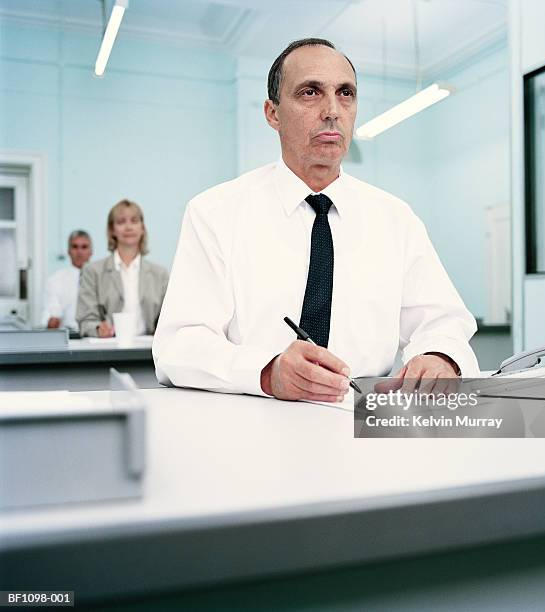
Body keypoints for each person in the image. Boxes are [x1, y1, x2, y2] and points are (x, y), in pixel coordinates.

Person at [153, 38, 479, 402]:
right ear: (272, 113)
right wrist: (268, 371)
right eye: (310, 92)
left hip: (365, 419)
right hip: (252, 418)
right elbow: (178, 346)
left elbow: (443, 321)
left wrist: (439, 355)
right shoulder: (214, 213)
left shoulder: (396, 219)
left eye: (345, 94)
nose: (332, 110)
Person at [77, 199, 169, 338]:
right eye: (121, 222)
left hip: (148, 352)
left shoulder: (160, 274)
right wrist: (98, 329)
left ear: (142, 228)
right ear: (112, 230)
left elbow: (170, 318)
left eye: (134, 221)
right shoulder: (92, 271)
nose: (128, 227)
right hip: (107, 351)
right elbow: (86, 320)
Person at [41, 230, 92, 330]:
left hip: (97, 337)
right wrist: (51, 320)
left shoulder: (102, 279)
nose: (79, 252)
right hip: (68, 336)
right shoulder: (55, 280)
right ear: (68, 251)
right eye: (75, 247)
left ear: (91, 251)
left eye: (84, 247)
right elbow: (49, 312)